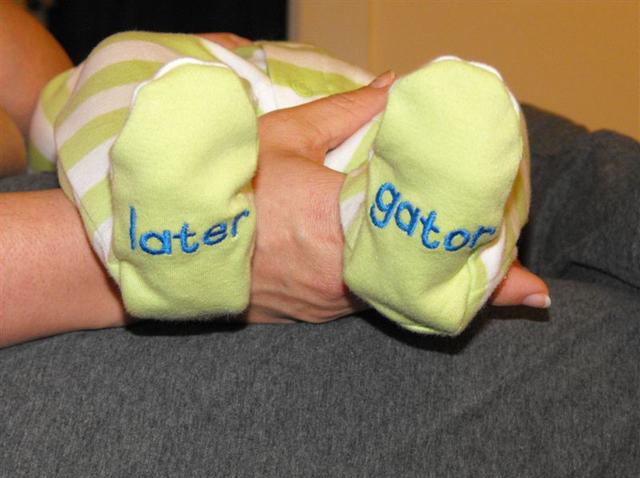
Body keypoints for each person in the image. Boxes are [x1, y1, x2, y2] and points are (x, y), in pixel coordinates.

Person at [0, 3, 548, 347]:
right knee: (122, 76)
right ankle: (176, 250)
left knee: (483, 120)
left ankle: (416, 248)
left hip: (301, 81)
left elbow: (33, 100)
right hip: (212, 104)